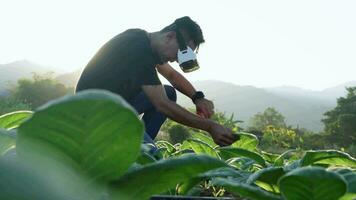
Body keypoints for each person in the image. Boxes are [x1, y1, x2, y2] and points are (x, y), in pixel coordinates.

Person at [75, 16, 239, 148]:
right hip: (91, 116)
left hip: (112, 106)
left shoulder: (144, 40)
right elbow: (162, 104)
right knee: (152, 157)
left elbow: (172, 75)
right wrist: (210, 126)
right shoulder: (137, 50)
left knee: (168, 92)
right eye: (180, 53)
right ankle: (140, 149)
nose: (176, 60)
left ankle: (133, 144)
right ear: (169, 36)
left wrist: (197, 97)